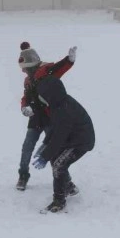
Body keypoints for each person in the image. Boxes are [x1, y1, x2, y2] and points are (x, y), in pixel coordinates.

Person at [16, 41, 76, 191]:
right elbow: (26, 97)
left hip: (51, 118)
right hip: (35, 119)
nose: (23, 72)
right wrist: (24, 107)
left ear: (32, 65)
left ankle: (67, 182)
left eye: (25, 69)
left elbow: (59, 68)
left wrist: (69, 60)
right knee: (27, 147)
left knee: (54, 149)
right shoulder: (28, 80)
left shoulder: (47, 71)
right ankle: (23, 175)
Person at [32, 76, 95, 213]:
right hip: (71, 138)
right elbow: (55, 128)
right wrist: (45, 145)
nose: (41, 98)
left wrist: (45, 155)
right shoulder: (57, 104)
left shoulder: (64, 109)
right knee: (56, 159)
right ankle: (68, 187)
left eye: (42, 96)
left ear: (50, 94)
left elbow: (60, 136)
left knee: (59, 165)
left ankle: (58, 201)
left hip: (81, 141)